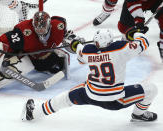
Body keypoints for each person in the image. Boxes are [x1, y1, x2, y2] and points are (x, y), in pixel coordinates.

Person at [21, 28, 158, 122]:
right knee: (151, 89)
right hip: (115, 100)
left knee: (65, 98)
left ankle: (33, 113)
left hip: (90, 94)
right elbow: (143, 43)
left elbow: (79, 51)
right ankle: (138, 114)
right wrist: (134, 34)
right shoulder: (121, 49)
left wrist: (75, 44)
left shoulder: (88, 51)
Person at [0, 10, 84, 96]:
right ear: (33, 25)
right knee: (11, 69)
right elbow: (0, 43)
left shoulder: (58, 26)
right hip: (28, 55)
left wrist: (76, 45)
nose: (39, 31)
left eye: (42, 29)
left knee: (58, 67)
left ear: (49, 25)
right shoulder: (24, 32)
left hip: (47, 55)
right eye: (37, 28)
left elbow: (66, 36)